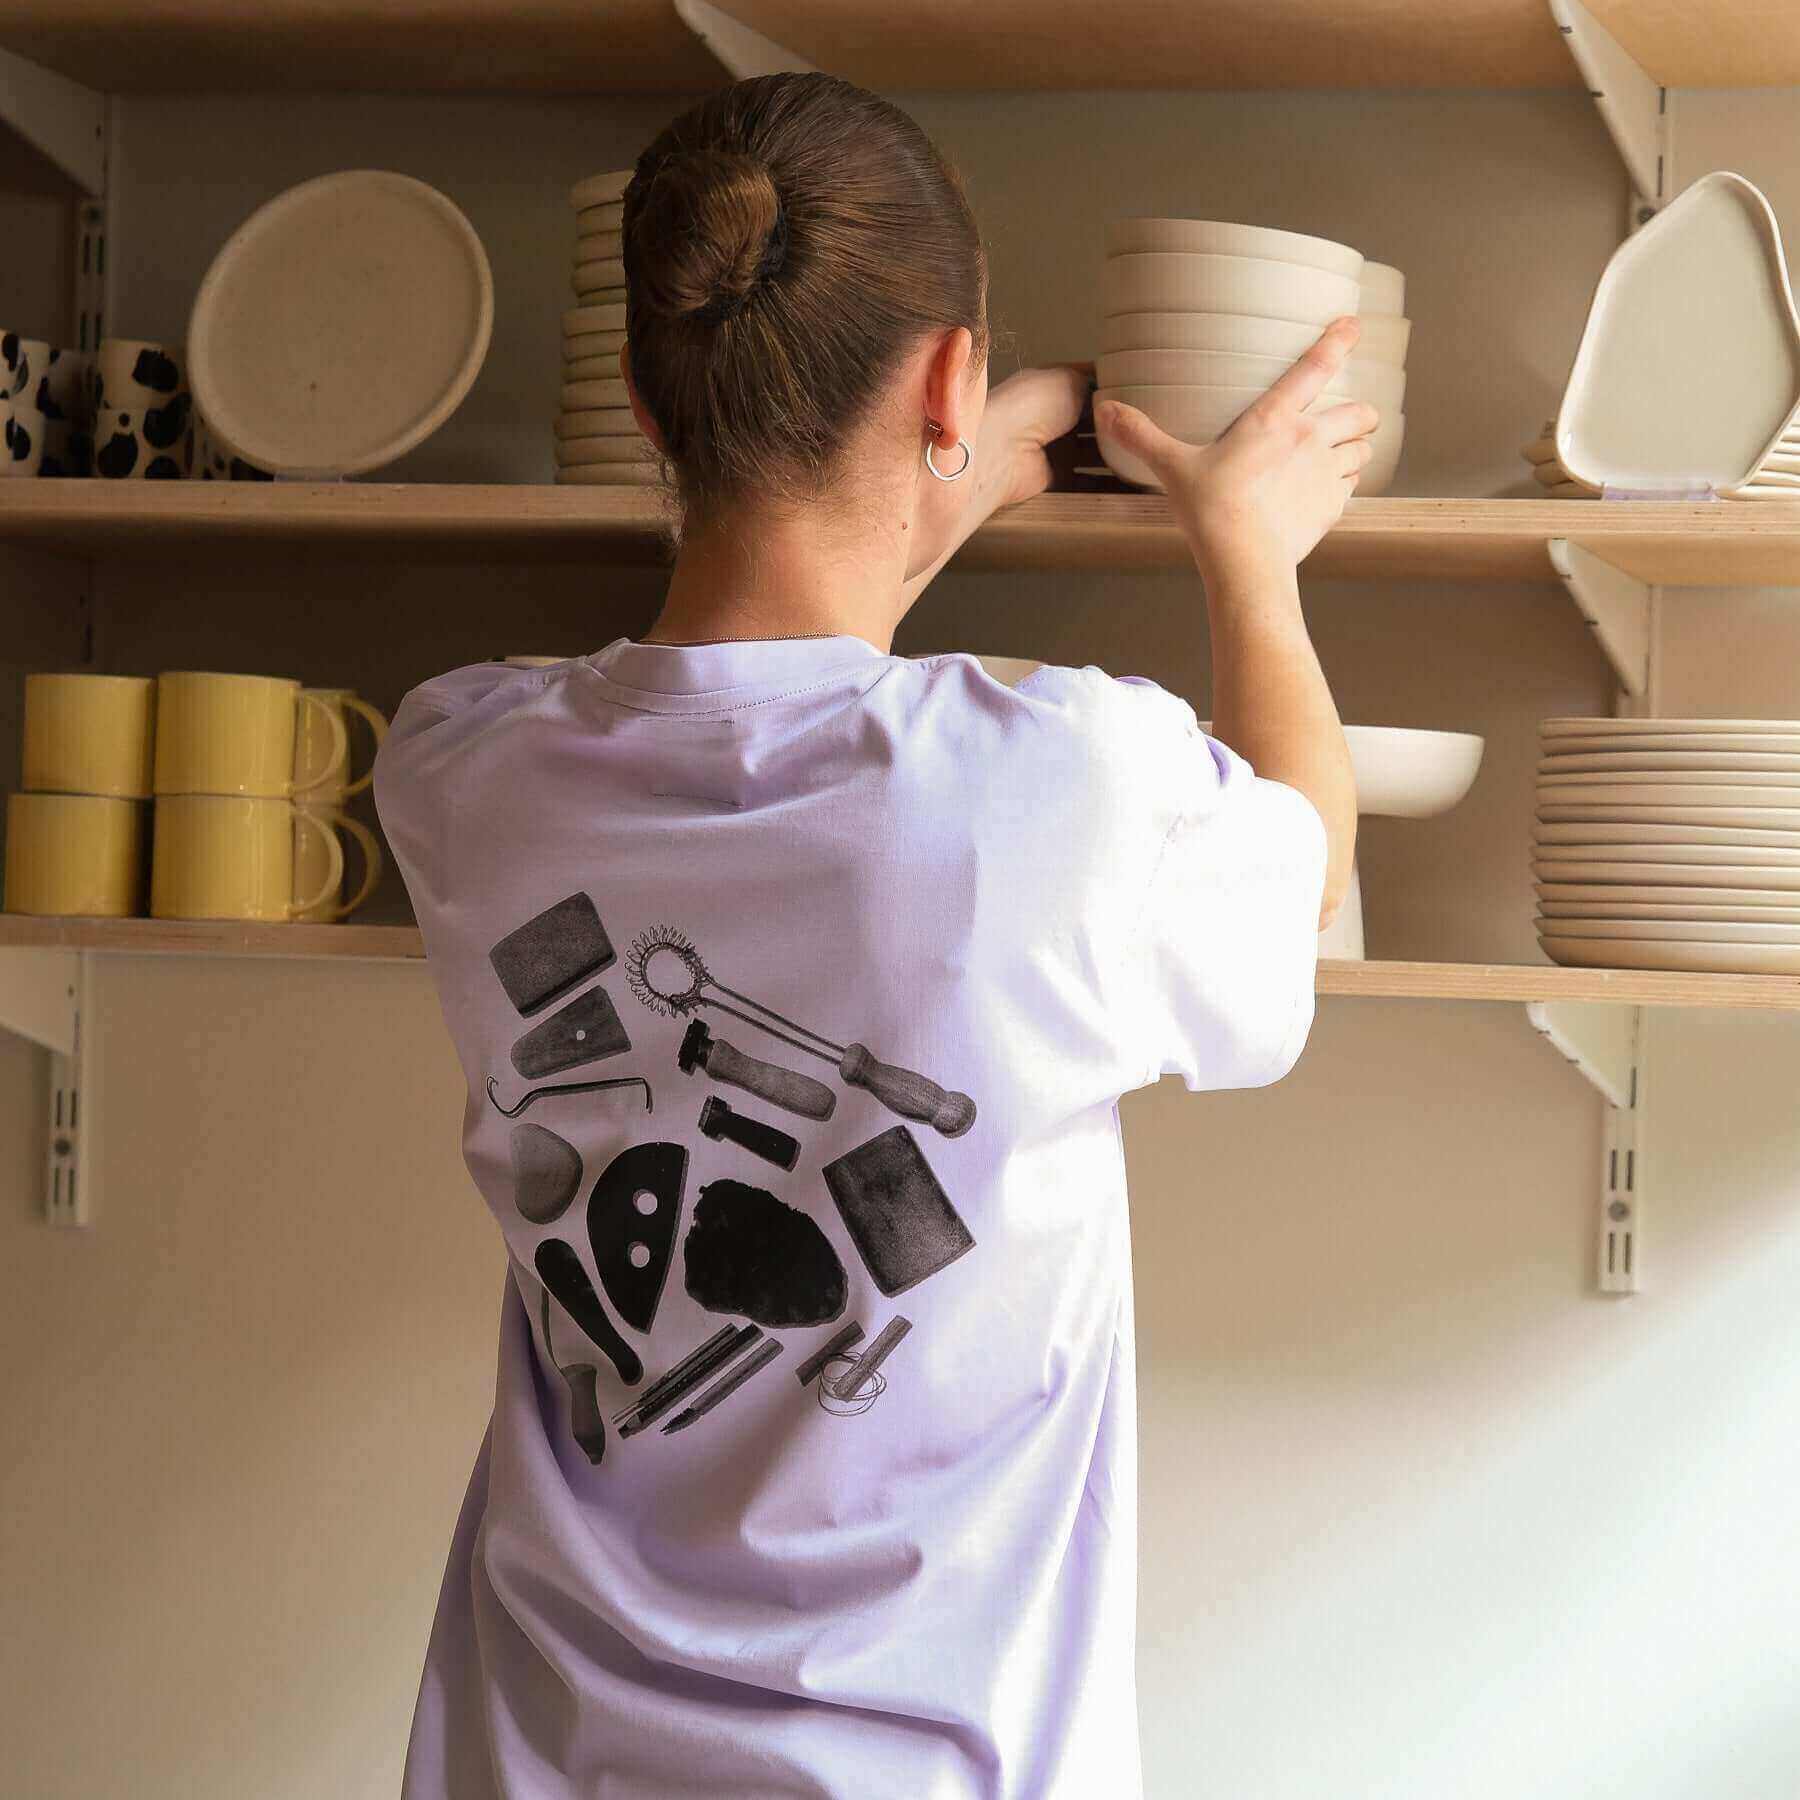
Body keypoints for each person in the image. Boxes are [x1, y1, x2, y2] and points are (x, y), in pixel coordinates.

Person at [374, 70, 1370, 1800]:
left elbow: (766, 674)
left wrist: (928, 472)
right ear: (947, 379)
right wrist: (1250, 560)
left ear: (638, 399)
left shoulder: (464, 771)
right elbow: (1296, 897)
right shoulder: (1064, 785)